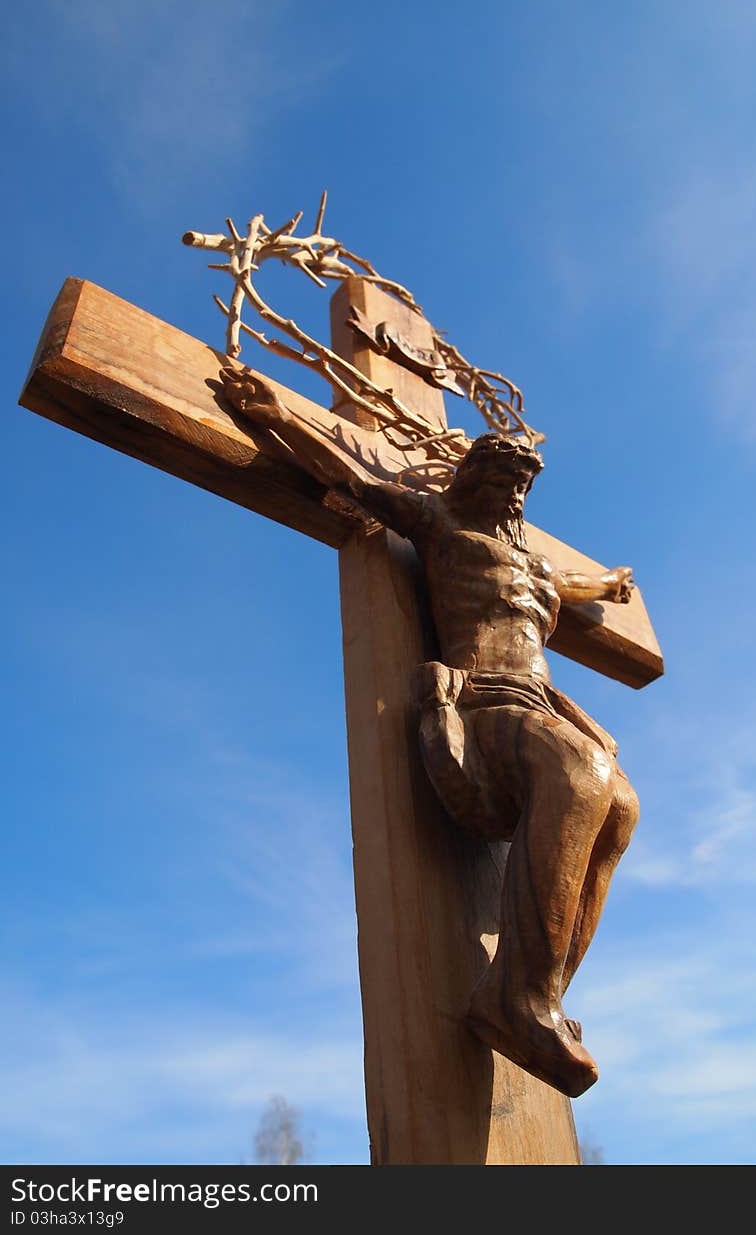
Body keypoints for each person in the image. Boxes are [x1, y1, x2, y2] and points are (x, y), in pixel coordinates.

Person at [220, 367, 639, 1097]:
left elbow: (580, 588)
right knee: (578, 774)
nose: (509, 496)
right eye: (498, 480)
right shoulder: (440, 524)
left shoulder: (537, 566)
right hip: (482, 700)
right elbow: (354, 478)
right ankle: (522, 997)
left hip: (540, 701)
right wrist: (278, 417)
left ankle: (534, 990)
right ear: (468, 478)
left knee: (621, 807)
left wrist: (609, 585)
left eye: (519, 488)